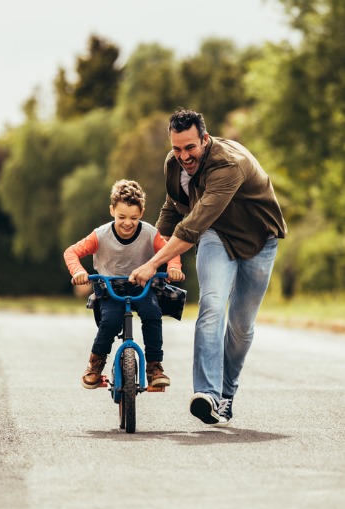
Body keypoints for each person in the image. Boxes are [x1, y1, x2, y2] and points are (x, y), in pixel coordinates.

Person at [129, 108, 287, 426]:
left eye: (190, 147)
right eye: (177, 148)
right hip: (217, 237)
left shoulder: (227, 164)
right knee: (212, 306)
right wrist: (147, 250)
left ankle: (226, 396)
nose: (184, 155)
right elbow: (173, 208)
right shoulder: (174, 164)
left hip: (259, 240)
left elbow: (191, 227)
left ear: (205, 138)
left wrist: (153, 264)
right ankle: (208, 396)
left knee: (241, 326)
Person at [64, 179, 185, 390]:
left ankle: (154, 367)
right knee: (110, 322)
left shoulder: (149, 233)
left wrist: (174, 267)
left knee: (152, 313)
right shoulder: (100, 235)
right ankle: (95, 365)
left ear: (142, 212)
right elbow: (71, 252)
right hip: (110, 289)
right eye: (121, 217)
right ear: (112, 211)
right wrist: (79, 272)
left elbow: (170, 251)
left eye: (134, 217)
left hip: (142, 286)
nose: (127, 222)